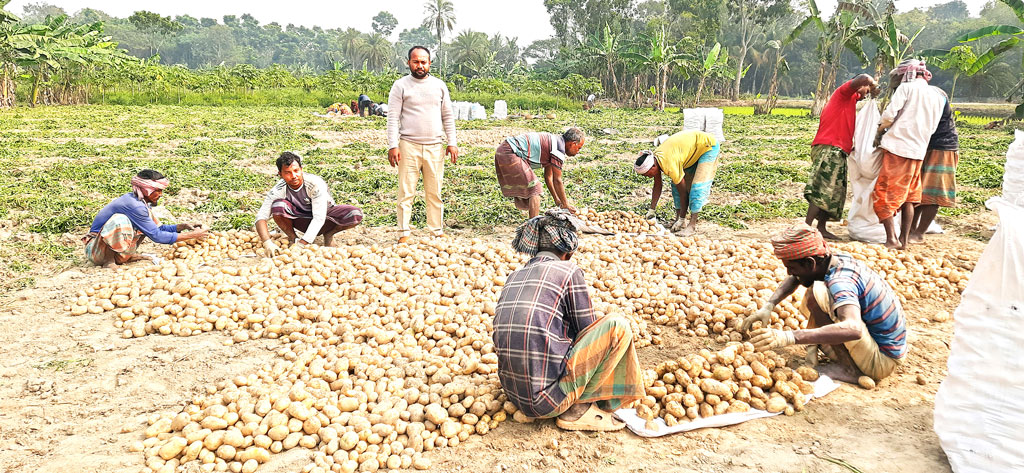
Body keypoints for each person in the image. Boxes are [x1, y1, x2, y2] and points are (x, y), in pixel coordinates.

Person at [493, 210, 645, 431]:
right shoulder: (568, 270)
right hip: (549, 402)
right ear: (568, 253)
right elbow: (588, 329)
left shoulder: (514, 276)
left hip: (516, 396)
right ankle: (579, 408)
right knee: (617, 327)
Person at [739, 225, 908, 384]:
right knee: (817, 289)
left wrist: (789, 337)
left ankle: (848, 369)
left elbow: (853, 328)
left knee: (816, 293)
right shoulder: (833, 260)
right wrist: (769, 304)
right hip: (885, 348)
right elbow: (796, 278)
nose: (789, 273)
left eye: (791, 267)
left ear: (811, 263)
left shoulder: (841, 281)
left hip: (882, 360)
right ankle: (844, 358)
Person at [386, 45, 458, 243]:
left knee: (434, 192)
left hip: (435, 146)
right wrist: (393, 145)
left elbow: (448, 116)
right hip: (408, 146)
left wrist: (452, 142)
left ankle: (436, 230)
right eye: (416, 61)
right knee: (406, 192)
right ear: (408, 62)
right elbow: (393, 117)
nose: (420, 65)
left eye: (423, 62)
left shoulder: (439, 86)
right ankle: (404, 233)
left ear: (429, 63)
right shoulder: (400, 86)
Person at [873, 59, 945, 249]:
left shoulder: (907, 88)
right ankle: (903, 241)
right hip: (918, 151)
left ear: (907, 74)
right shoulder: (936, 95)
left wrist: (879, 132)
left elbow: (889, 116)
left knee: (884, 193)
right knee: (909, 197)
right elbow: (933, 127)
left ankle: (890, 239)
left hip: (898, 149)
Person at [804, 74, 879, 239]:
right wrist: (872, 84)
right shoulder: (842, 94)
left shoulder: (851, 100)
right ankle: (806, 228)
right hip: (829, 147)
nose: (866, 93)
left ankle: (821, 228)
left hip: (838, 149)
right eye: (865, 90)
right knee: (822, 188)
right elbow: (864, 77)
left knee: (833, 192)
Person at [84, 170, 208, 267]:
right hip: (95, 251)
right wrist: (193, 235)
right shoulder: (133, 205)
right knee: (120, 219)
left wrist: (182, 226)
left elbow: (157, 229)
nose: (160, 195)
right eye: (157, 191)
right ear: (145, 189)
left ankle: (123, 258)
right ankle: (109, 262)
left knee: (145, 222)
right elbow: (157, 236)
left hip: (110, 250)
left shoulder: (142, 204)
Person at [254, 152, 363, 256]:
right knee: (278, 207)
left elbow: (319, 218)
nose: (294, 176)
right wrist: (267, 242)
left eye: (296, 170)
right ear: (280, 175)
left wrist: (303, 244)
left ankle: (329, 234)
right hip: (301, 218)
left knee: (354, 214)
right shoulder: (278, 189)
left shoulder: (315, 184)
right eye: (288, 173)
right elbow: (261, 217)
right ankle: (293, 238)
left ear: (301, 169)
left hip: (326, 216)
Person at [634, 130, 720, 236]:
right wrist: (652, 210)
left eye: (646, 174)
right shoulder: (655, 159)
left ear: (653, 167)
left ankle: (691, 225)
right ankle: (679, 221)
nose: (647, 177)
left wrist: (682, 218)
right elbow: (657, 186)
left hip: (707, 146)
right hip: (691, 151)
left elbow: (683, 192)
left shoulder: (668, 163)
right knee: (675, 187)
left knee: (697, 187)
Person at [494, 128, 585, 218]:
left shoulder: (555, 144)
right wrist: (566, 205)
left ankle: (532, 222)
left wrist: (557, 200)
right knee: (535, 188)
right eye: (579, 148)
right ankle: (532, 227)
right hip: (510, 152)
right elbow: (557, 180)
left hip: (505, 149)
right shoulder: (558, 149)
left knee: (533, 188)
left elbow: (548, 177)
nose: (578, 151)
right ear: (573, 144)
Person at [910, 87, 959, 243]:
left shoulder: (934, 95)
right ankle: (910, 230)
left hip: (942, 146)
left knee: (933, 192)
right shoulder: (919, 93)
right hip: (924, 145)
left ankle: (918, 233)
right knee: (917, 191)